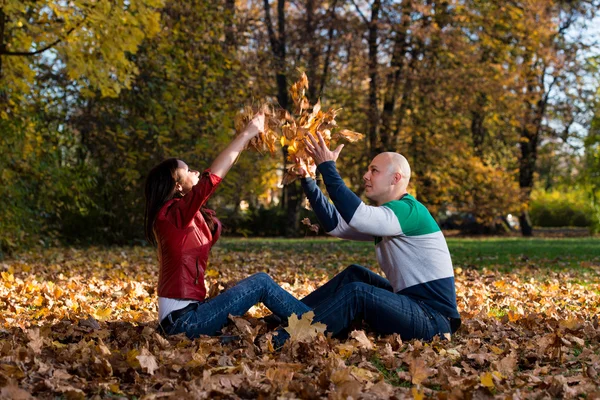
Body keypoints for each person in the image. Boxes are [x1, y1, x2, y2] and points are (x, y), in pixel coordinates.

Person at [272, 132, 461, 345]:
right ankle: (282, 318)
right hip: (413, 304)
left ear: (396, 178)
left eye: (374, 171)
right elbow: (336, 225)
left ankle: (283, 341)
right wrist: (308, 180)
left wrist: (327, 166)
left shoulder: (408, 211)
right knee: (355, 275)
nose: (366, 175)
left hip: (433, 319)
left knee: (358, 293)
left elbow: (359, 217)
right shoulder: (390, 217)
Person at [144, 112, 310, 340]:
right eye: (188, 171)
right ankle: (320, 324)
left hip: (190, 314)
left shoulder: (185, 216)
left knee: (264, 323)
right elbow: (211, 179)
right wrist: (246, 134)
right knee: (260, 282)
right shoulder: (172, 215)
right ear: (177, 187)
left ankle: (311, 317)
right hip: (182, 322)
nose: (195, 172)